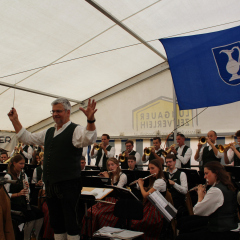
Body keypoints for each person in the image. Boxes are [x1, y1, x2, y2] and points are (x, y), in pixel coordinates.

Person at [8, 97, 97, 240]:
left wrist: (91, 120)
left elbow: (89, 138)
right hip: (51, 186)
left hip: (69, 185)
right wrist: (15, 120)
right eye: (53, 111)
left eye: (59, 111)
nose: (55, 114)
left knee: (71, 223)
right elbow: (27, 138)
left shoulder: (76, 129)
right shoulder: (49, 132)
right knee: (57, 223)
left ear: (68, 112)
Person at [177, 161, 239, 240]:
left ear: (216, 173)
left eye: (206, 173)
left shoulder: (216, 190)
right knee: (186, 226)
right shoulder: (225, 184)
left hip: (223, 231)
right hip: (229, 226)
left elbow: (197, 211)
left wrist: (200, 196)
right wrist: (205, 196)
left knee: (182, 237)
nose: (204, 177)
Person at [81, 158, 127, 236]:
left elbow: (116, 190)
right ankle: (88, 234)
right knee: (89, 211)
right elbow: (103, 190)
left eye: (112, 164)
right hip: (106, 200)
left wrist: (108, 179)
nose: (110, 167)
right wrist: (101, 179)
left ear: (117, 165)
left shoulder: (122, 176)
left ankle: (101, 234)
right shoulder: (110, 175)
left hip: (116, 202)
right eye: (109, 165)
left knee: (98, 214)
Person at [4, 154, 43, 240]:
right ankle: (26, 237)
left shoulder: (23, 175)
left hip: (22, 202)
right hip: (13, 204)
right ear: (14, 163)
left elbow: (27, 192)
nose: (23, 166)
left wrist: (27, 188)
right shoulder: (8, 177)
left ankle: (34, 235)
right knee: (30, 216)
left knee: (40, 213)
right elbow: (5, 195)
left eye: (24, 164)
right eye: (21, 164)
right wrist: (18, 194)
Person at [130, 159, 166, 239]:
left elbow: (145, 195)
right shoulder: (155, 180)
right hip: (150, 206)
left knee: (137, 222)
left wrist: (141, 185)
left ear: (159, 168)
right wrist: (142, 186)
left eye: (153, 168)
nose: (150, 171)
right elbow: (148, 191)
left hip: (156, 209)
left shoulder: (160, 181)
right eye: (149, 169)